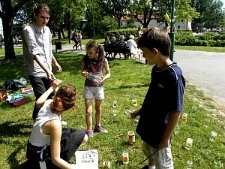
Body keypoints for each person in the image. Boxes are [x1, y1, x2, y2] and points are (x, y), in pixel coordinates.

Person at [131, 27, 185, 169]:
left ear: (155, 51)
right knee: (147, 149)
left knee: (163, 162)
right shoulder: (156, 69)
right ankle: (150, 167)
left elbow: (176, 111)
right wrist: (140, 111)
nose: (143, 55)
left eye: (144, 52)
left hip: (160, 131)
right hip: (149, 124)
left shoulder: (174, 76)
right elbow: (151, 96)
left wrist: (166, 138)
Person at [26, 80, 88, 169]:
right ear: (71, 106)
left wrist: (52, 87)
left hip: (31, 151)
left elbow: (38, 102)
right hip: (38, 158)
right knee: (81, 135)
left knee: (80, 135)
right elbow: (56, 159)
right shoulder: (54, 124)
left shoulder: (48, 102)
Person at [22, 4, 62, 120]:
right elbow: (35, 53)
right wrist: (47, 70)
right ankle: (38, 121)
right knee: (41, 96)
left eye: (47, 18)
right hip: (35, 70)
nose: (45, 21)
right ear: (35, 15)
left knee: (52, 95)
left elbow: (48, 50)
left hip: (47, 68)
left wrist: (55, 63)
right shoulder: (28, 30)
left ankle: (50, 119)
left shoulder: (47, 30)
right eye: (42, 17)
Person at [81, 40, 111, 137]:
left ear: (97, 51)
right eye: (87, 52)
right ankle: (89, 130)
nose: (88, 54)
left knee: (98, 108)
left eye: (90, 53)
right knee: (88, 110)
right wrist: (83, 73)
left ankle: (98, 126)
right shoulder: (85, 60)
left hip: (99, 87)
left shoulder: (103, 60)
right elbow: (83, 71)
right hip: (88, 87)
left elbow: (108, 73)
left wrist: (104, 78)